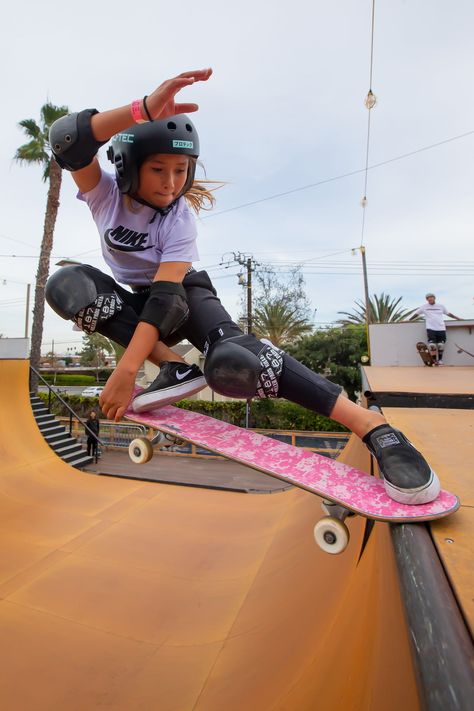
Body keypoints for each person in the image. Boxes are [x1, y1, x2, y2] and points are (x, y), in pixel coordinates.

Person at [45, 69, 440, 505]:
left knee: (237, 361)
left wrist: (126, 371)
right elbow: (68, 138)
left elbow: (165, 299)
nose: (171, 183)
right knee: (67, 284)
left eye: (181, 170)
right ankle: (174, 366)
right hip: (135, 299)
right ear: (126, 166)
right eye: (158, 169)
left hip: (182, 296)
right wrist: (142, 110)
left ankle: (373, 427)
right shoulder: (103, 194)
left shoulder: (180, 220)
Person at [413, 293, 462, 365]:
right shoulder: (424, 307)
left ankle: (440, 360)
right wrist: (409, 319)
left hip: (441, 328)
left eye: (431, 297)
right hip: (430, 328)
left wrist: (458, 318)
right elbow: (416, 314)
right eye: (428, 298)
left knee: (440, 345)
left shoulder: (441, 306)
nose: (430, 299)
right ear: (427, 299)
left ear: (434, 298)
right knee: (432, 345)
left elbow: (448, 314)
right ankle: (434, 360)